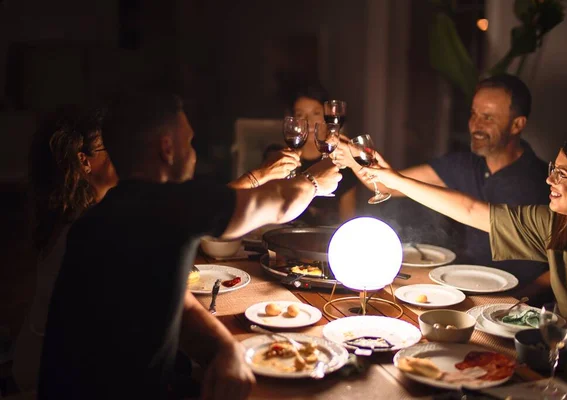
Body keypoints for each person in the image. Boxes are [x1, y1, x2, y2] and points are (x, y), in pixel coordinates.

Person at [37, 91, 341, 400]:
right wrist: (315, 182)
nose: (194, 154)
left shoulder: (100, 217)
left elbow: (175, 299)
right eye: (190, 142)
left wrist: (225, 348)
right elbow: (279, 205)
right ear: (168, 148)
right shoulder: (168, 205)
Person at [359, 133, 567, 338]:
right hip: (564, 345)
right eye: (553, 170)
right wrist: (397, 181)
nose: (550, 179)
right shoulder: (552, 224)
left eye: (562, 174)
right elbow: (471, 210)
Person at [334, 74, 549, 287]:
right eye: (473, 114)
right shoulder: (463, 164)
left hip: (521, 300)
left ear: (517, 125)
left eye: (488, 117)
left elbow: (566, 263)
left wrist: (526, 297)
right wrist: (353, 158)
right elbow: (386, 185)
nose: (475, 125)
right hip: (464, 282)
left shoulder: (546, 183)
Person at [12, 106, 118, 392]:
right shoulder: (83, 228)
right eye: (110, 146)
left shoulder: (72, 214)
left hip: (40, 361)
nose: (120, 153)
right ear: (84, 161)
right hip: (50, 375)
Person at [266, 83, 358, 226]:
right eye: (300, 115)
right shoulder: (281, 161)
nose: (308, 122)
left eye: (316, 113)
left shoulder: (341, 165)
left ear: (328, 118)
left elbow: (348, 221)